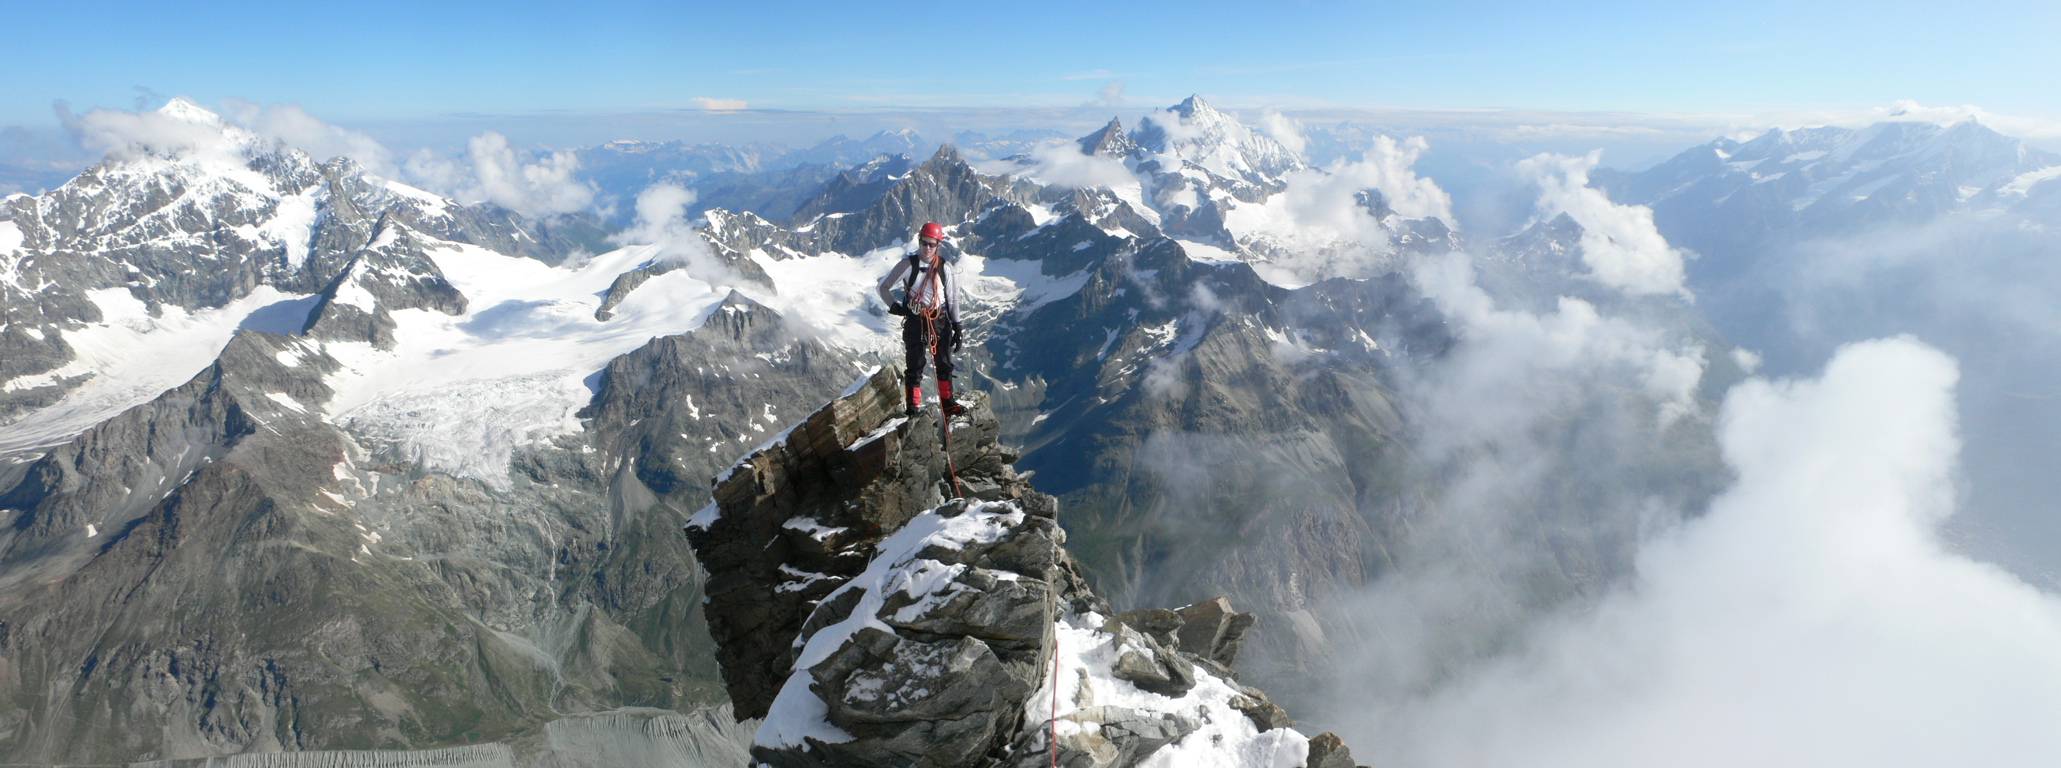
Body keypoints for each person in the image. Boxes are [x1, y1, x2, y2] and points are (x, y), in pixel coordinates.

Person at [877, 221, 964, 416]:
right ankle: (913, 406)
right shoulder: (908, 264)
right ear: (919, 242)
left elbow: (952, 298)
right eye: (924, 243)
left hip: (938, 319)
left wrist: (957, 326)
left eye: (932, 244)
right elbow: (883, 287)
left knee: (944, 363)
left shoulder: (945, 268)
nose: (927, 248)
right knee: (915, 363)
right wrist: (896, 308)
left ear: (938, 246)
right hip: (918, 320)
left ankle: (947, 402)